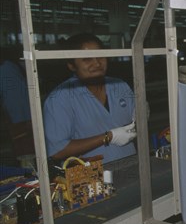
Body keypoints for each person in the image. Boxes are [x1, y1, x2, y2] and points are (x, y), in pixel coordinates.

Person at [43, 33, 137, 163]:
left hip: (132, 165)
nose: (97, 63)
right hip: (92, 177)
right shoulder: (60, 98)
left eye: (100, 56)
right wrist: (108, 137)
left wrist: (142, 112)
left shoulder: (120, 86)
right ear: (71, 65)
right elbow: (58, 151)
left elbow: (135, 121)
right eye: (87, 59)